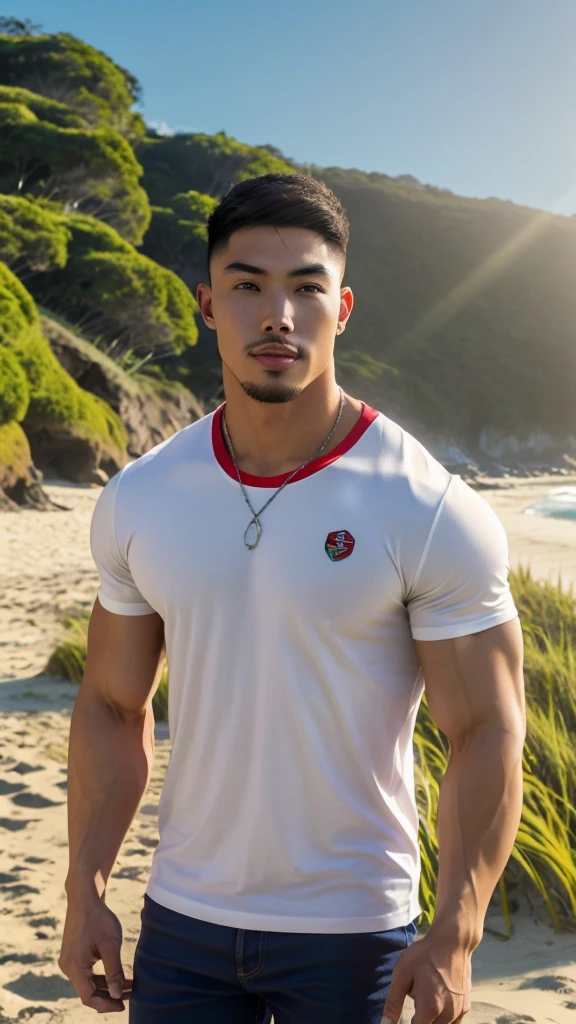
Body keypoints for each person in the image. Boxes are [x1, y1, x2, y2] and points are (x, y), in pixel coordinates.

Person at [58, 173, 526, 1024]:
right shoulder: (143, 495)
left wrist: (456, 929)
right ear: (208, 304)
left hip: (355, 934)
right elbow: (112, 703)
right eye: (248, 287)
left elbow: (486, 729)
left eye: (306, 288)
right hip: (184, 926)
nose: (278, 315)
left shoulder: (425, 506)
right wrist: (84, 886)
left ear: (342, 308)